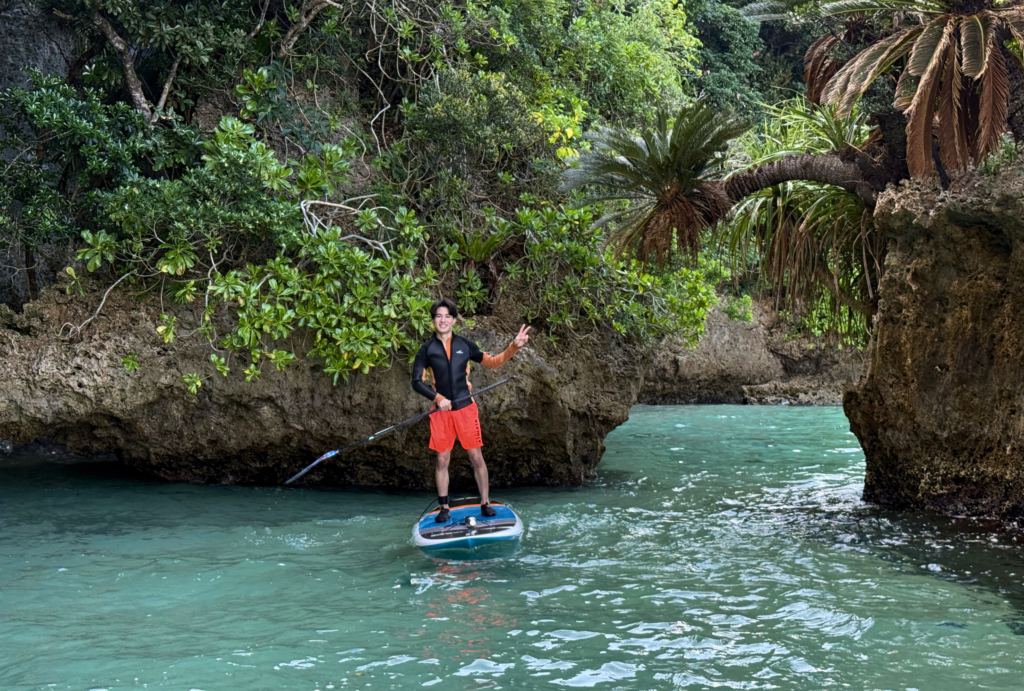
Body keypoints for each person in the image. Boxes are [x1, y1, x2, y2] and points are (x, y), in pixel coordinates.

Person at [411, 298, 530, 522]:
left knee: (476, 457)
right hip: (441, 413)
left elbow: (494, 362)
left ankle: (485, 502)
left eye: (447, 316)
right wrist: (437, 398)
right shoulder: (426, 350)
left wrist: (514, 346)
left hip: (466, 409)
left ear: (454, 320)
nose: (443, 320)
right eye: (438, 316)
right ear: (433, 320)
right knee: (442, 461)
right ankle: (444, 507)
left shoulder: (465, 345)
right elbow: (416, 382)